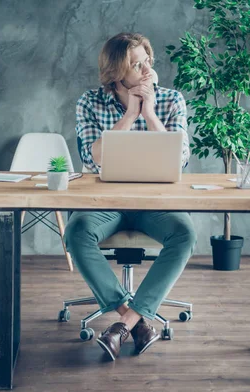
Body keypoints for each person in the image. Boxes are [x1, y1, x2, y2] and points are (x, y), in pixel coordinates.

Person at [64, 32, 196, 361]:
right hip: (105, 202)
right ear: (116, 73)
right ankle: (135, 321)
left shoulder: (171, 100)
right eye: (136, 64)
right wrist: (130, 117)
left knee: (185, 233)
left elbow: (180, 159)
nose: (146, 69)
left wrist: (150, 113)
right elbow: (93, 159)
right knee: (76, 233)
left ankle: (125, 323)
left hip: (155, 204)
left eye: (147, 61)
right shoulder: (90, 102)